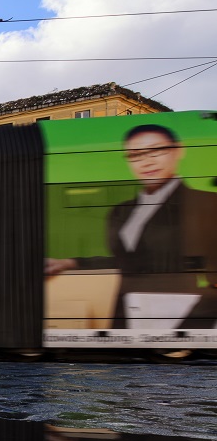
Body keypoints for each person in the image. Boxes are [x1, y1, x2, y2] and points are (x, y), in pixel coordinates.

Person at [45, 124, 217, 329]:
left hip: (185, 314)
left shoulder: (206, 202)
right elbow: (127, 261)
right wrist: (70, 263)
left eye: (156, 151)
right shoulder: (121, 211)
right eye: (136, 155)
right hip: (129, 312)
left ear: (177, 151)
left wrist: (196, 322)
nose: (147, 161)